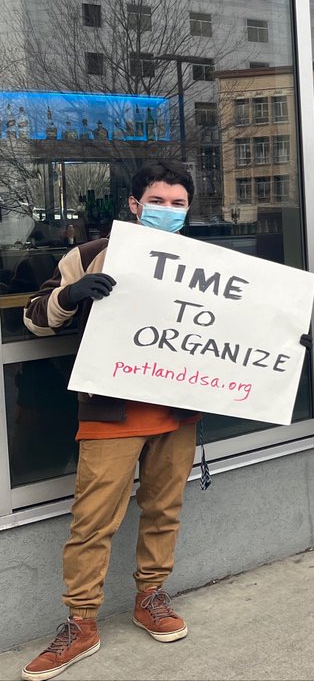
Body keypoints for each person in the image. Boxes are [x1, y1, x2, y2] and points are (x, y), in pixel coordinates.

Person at [21, 161, 200, 681]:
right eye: (158, 201)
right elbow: (33, 317)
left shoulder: (204, 261)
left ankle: (151, 596)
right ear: (134, 205)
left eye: (179, 203)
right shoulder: (89, 254)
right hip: (110, 409)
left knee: (164, 507)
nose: (168, 210)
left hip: (176, 408)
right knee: (93, 521)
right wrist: (69, 297)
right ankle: (80, 621)